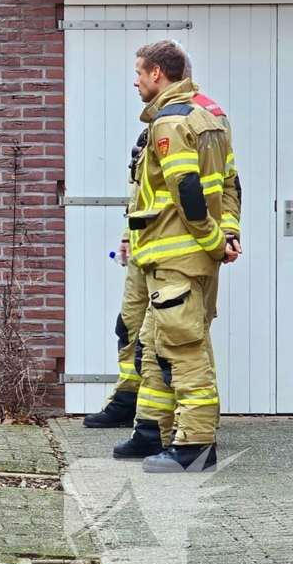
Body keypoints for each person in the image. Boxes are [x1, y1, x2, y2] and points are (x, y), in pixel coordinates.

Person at [85, 48, 242, 430]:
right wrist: (128, 236)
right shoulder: (159, 121)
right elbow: (147, 193)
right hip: (150, 248)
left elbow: (211, 185)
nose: (134, 81)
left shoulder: (192, 118)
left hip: (181, 253)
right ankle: (139, 411)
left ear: (159, 73)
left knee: (183, 341)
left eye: (139, 73)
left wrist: (222, 236)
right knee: (137, 332)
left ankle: (192, 431)